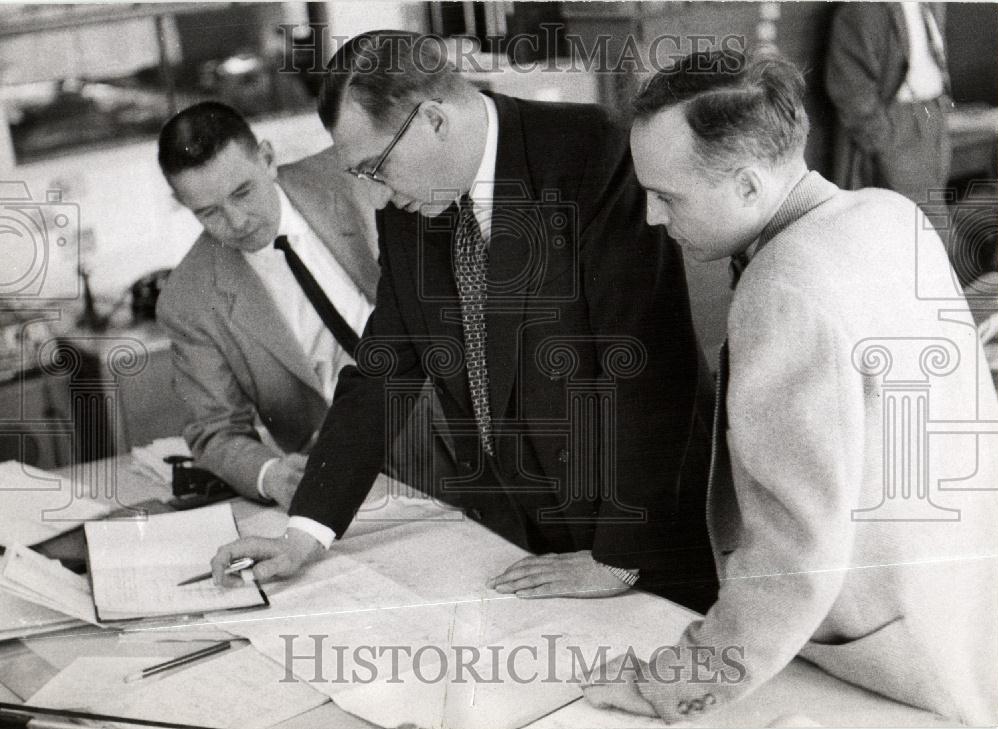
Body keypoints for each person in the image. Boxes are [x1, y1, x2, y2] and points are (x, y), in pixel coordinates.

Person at [212, 30, 716, 608]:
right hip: (518, 532)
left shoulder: (591, 154)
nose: (374, 198)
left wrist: (622, 557)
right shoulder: (412, 204)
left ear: (432, 120)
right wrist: (306, 532)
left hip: (638, 529)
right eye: (360, 176)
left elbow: (649, 370)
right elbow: (384, 370)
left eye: (376, 167)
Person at [583, 50, 998, 725]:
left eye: (668, 195)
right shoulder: (888, 212)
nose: (654, 217)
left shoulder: (786, 287)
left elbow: (792, 550)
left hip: (883, 658)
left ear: (748, 185)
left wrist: (672, 682)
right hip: (959, 603)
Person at [157, 101, 437, 510]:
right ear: (184, 204)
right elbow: (215, 431)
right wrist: (271, 476)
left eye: (243, 192)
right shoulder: (188, 301)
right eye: (209, 212)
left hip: (461, 408)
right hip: (357, 471)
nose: (236, 222)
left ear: (267, 159)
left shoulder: (357, 172)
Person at [825, 2, 952, 206]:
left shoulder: (928, 4)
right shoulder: (861, 9)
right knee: (922, 226)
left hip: (931, 119)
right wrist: (885, 142)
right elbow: (852, 93)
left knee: (928, 221)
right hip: (899, 128)